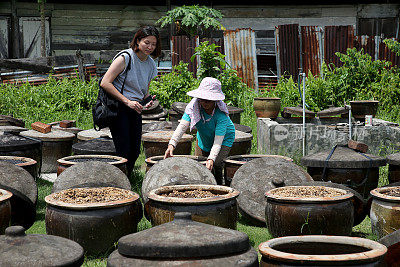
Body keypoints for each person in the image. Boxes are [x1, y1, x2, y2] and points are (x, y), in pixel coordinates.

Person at [100, 26, 161, 176]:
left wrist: (148, 100)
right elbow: (105, 82)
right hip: (119, 107)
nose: (150, 47)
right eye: (147, 42)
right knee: (123, 149)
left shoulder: (151, 64)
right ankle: (118, 181)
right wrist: (127, 101)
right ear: (138, 40)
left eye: (153, 44)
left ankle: (127, 177)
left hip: (135, 108)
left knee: (134, 150)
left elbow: (144, 89)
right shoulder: (125, 57)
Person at [164, 77, 235, 184]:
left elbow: (218, 141)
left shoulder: (221, 115)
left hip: (224, 138)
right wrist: (171, 145)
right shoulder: (193, 107)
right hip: (204, 136)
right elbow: (182, 126)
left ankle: (219, 186)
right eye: (202, 99)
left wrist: (211, 158)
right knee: (200, 163)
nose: (204, 102)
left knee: (216, 164)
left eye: (208, 100)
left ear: (215, 100)